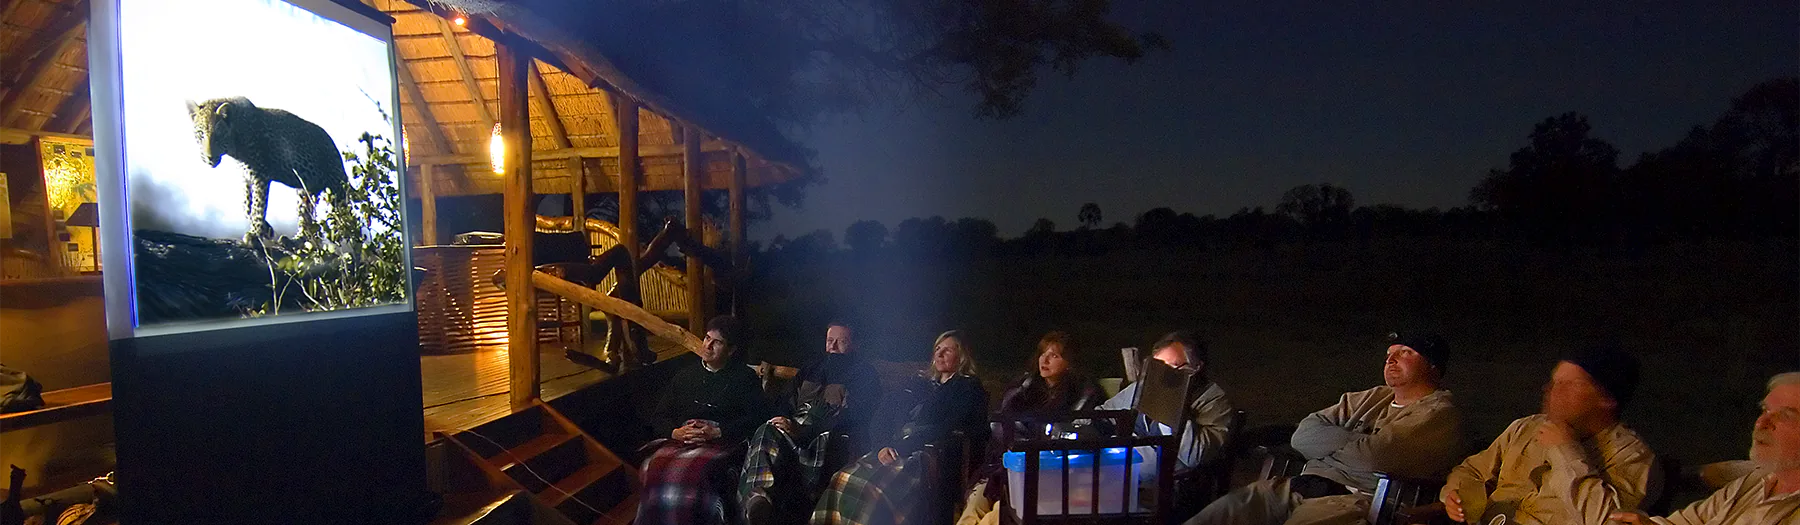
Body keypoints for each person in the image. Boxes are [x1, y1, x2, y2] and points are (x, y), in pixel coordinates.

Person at [1186, 331, 1464, 525]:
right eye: (1389, 353)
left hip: (1351, 499)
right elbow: (1304, 434)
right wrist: (1352, 445)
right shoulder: (1371, 397)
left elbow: (1374, 457)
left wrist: (1327, 449)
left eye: (1405, 353)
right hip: (1298, 486)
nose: (1391, 360)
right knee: (1213, 518)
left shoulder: (1438, 413)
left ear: (1432, 367)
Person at [1440, 344, 1659, 525]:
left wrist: (1566, 451)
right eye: (1554, 382)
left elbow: (1607, 520)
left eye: (1569, 384)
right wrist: (1455, 494)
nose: (1552, 390)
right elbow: (1472, 471)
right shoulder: (1526, 428)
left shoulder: (1631, 457)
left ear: (1607, 399)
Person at [812, 330, 991, 525]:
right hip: (892, 445)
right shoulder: (918, 383)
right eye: (937, 349)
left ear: (962, 356)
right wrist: (882, 444)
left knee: (873, 489)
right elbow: (883, 414)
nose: (938, 354)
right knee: (842, 479)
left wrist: (902, 447)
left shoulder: (967, 389)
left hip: (926, 452)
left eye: (947, 350)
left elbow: (947, 427)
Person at [1608, 371, 1800, 524]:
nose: (1761, 423)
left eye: (1785, 416)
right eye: (1765, 410)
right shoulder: (1757, 481)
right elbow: (1689, 521)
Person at [955, 331, 1106, 525]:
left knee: (997, 514)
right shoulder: (1024, 389)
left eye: (1054, 355)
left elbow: (1075, 433)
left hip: (1046, 473)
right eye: (1043, 353)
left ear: (1069, 362)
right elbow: (1002, 427)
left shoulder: (1083, 394)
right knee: (974, 506)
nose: (1045, 359)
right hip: (1005, 467)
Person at [740, 321, 882, 525]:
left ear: (854, 345)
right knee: (768, 429)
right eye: (829, 341)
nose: (832, 347)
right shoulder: (811, 369)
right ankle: (758, 500)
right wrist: (784, 419)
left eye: (840, 342)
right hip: (797, 427)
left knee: (817, 443)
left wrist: (805, 431)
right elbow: (786, 401)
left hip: (832, 433)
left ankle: (774, 500)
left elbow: (854, 416)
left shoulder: (864, 374)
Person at [636, 316, 771, 525]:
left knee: (698, 474)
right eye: (707, 338)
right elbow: (659, 416)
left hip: (724, 442)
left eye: (716, 342)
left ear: (731, 349)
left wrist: (718, 432)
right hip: (683, 440)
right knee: (655, 465)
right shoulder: (685, 376)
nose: (707, 345)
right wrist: (675, 432)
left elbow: (758, 418)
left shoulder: (744, 379)